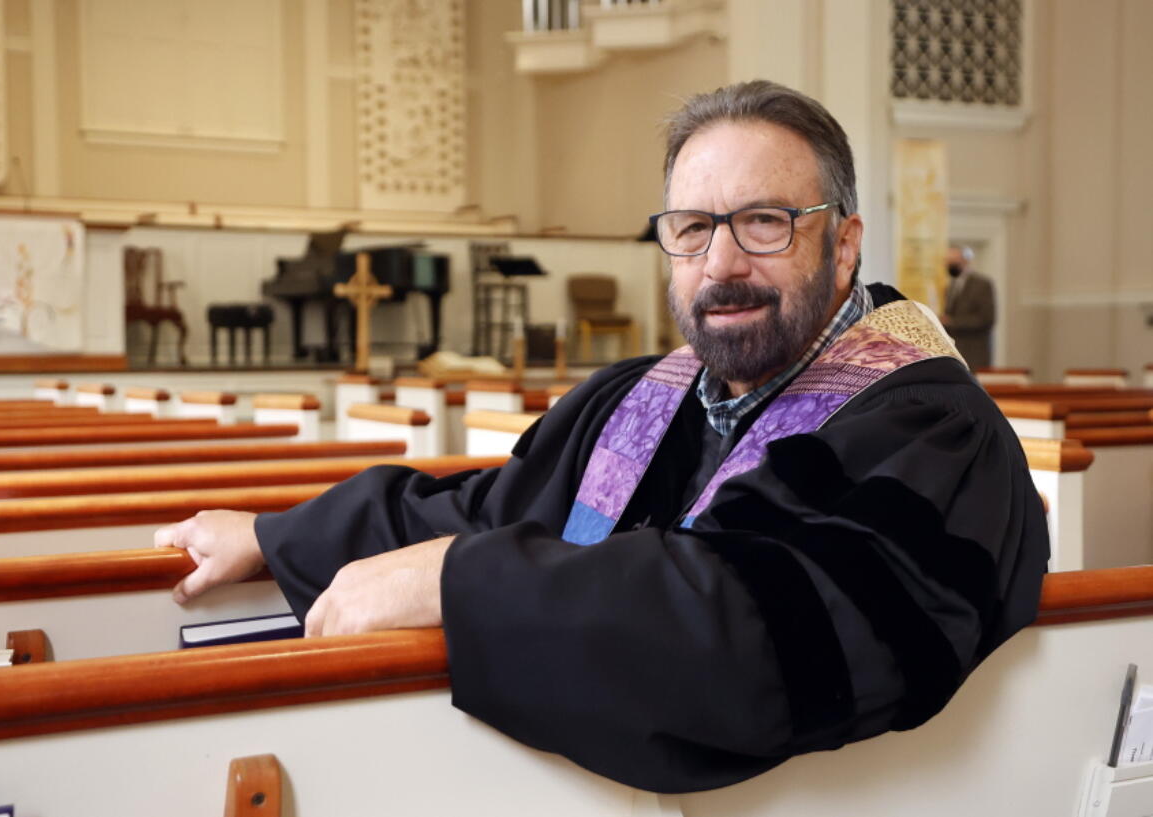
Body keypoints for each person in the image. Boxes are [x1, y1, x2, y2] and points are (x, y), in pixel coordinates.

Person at [155, 80, 1047, 794]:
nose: (721, 263)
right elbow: (493, 507)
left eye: (764, 222)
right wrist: (274, 536)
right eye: (692, 229)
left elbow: (752, 639)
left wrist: (458, 581)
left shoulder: (929, 430)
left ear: (845, 245)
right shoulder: (644, 395)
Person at [940, 245, 996, 370]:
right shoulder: (950, 286)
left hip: (974, 353)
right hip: (954, 353)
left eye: (954, 262)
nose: (950, 265)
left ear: (965, 261)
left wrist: (952, 321)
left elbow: (986, 319)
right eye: (948, 262)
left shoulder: (982, 284)